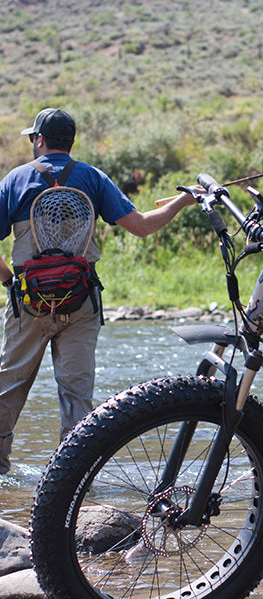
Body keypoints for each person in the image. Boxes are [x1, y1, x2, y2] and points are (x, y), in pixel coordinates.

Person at [0, 108, 199, 474]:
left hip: (27, 304)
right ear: (70, 142)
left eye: (33, 138)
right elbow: (141, 226)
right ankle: (71, 478)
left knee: (8, 390)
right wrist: (181, 201)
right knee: (77, 397)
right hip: (80, 302)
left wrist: (9, 281)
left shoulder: (16, 179)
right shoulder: (92, 177)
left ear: (40, 140)